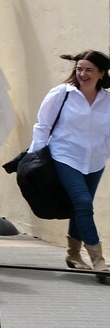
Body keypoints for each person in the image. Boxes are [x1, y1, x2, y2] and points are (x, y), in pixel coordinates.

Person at [28, 50, 110, 276]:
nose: (82, 74)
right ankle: (98, 260)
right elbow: (43, 125)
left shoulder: (107, 100)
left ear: (101, 73)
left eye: (89, 70)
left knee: (80, 206)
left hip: (95, 161)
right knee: (83, 202)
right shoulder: (62, 93)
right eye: (79, 69)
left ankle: (73, 255)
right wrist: (35, 157)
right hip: (64, 156)